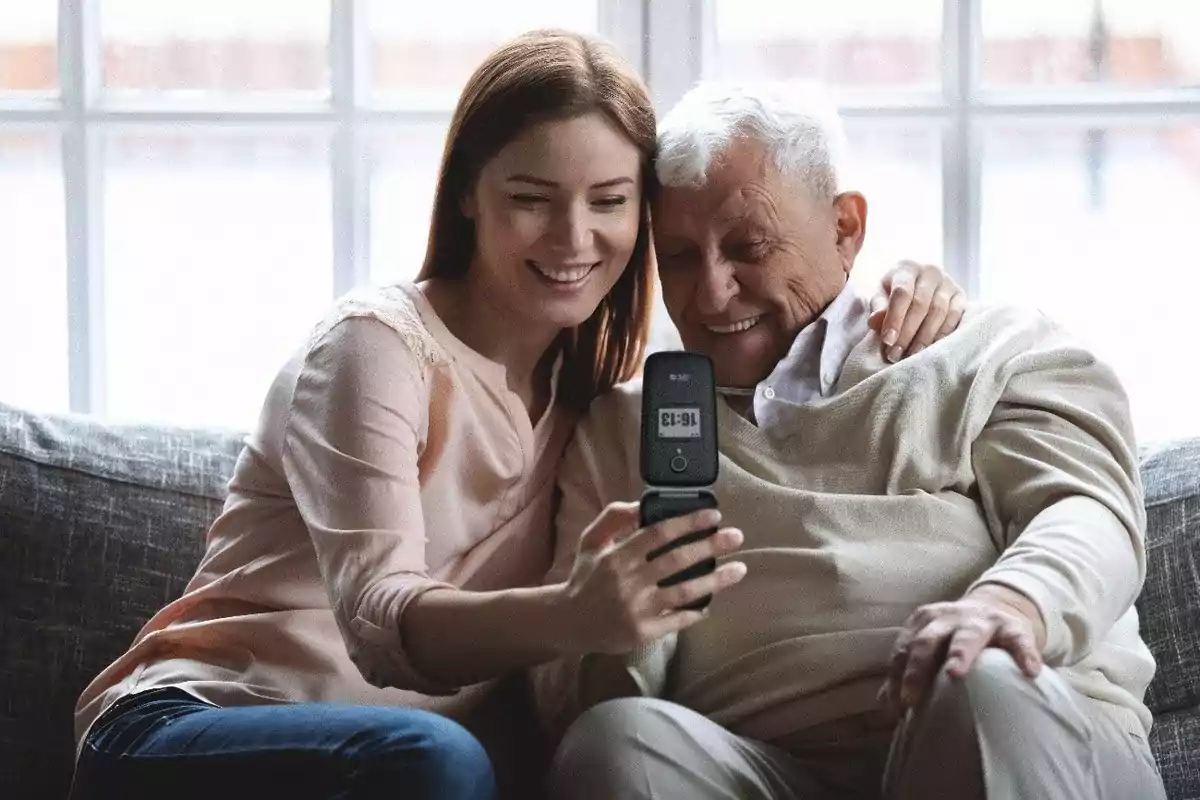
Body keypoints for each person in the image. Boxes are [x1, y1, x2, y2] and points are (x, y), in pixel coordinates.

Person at [69, 33, 966, 800]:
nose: (574, 240)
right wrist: (575, 612)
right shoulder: (376, 345)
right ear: (468, 193)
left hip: (403, 772)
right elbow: (381, 619)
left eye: (610, 203)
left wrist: (898, 288)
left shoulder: (599, 406)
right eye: (532, 198)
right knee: (435, 759)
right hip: (191, 730)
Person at [533, 80, 1168, 800]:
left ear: (845, 228)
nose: (710, 295)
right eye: (677, 256)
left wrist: (1010, 606)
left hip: (1017, 733)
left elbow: (1090, 513)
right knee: (618, 742)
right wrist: (618, 620)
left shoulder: (990, 349)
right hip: (765, 768)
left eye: (749, 247)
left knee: (983, 682)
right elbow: (568, 698)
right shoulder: (620, 429)